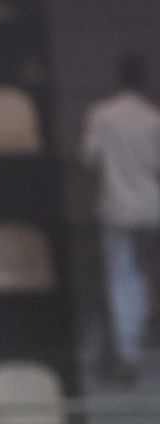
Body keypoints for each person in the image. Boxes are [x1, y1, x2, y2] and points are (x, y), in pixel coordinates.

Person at [81, 53, 160, 384]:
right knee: (140, 275)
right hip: (150, 207)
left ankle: (129, 352)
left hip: (117, 208)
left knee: (122, 279)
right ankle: (138, 339)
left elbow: (89, 158)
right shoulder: (154, 118)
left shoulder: (102, 115)